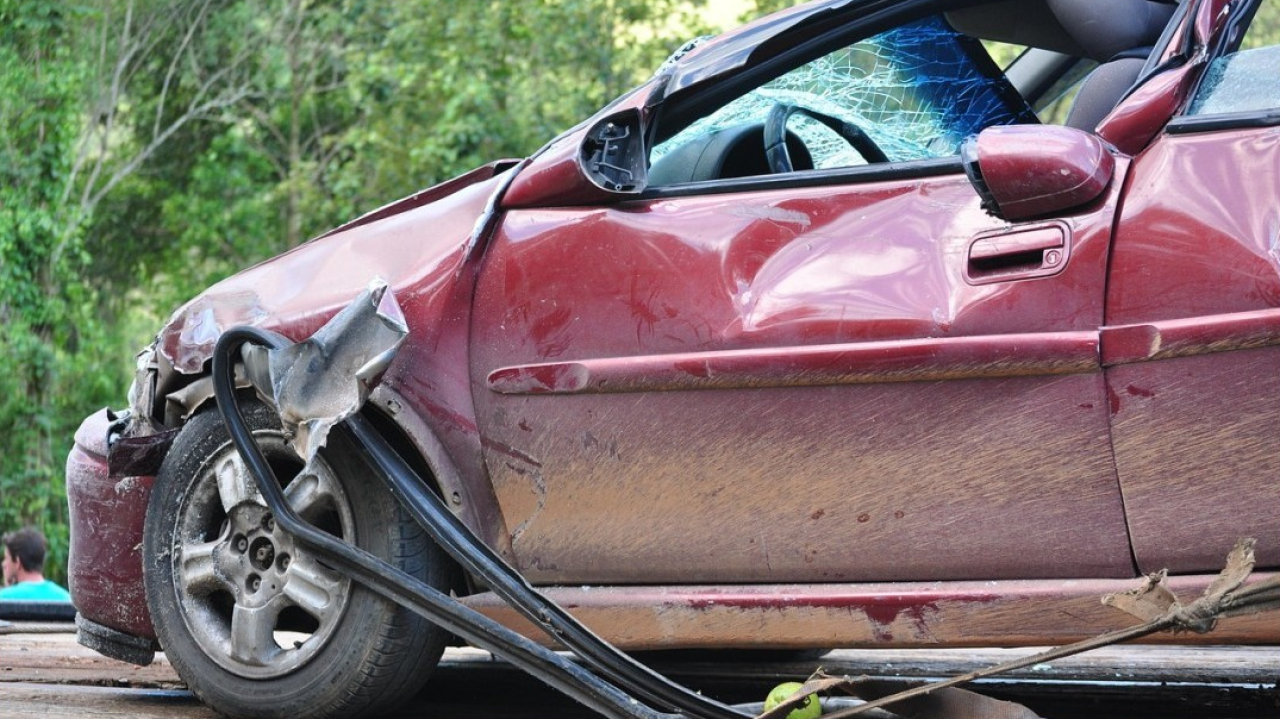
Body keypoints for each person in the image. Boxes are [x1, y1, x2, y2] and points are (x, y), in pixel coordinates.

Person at [1, 526, 71, 602]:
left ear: (17, 562)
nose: (3, 564)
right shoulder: (66, 599)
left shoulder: (4, 598)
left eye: (6, 558)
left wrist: (7, 589)